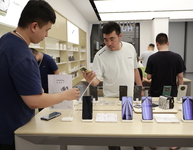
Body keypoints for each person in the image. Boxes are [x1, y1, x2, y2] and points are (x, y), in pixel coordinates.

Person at [0, 1, 80, 150]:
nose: (47, 35)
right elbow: (35, 102)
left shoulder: (6, 40)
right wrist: (66, 95)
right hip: (11, 132)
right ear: (34, 26)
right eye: (46, 30)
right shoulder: (23, 55)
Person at [82, 21, 144, 150]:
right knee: (112, 134)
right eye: (105, 39)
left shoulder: (130, 48)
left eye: (112, 39)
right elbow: (96, 81)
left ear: (120, 36)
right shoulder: (100, 55)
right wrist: (89, 80)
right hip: (110, 100)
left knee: (135, 131)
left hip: (130, 97)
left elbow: (135, 70)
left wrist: (140, 89)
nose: (109, 43)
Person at [145, 33, 186, 150]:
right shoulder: (177, 57)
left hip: (155, 93)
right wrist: (180, 94)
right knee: (172, 116)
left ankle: (155, 143)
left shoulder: (152, 58)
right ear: (168, 43)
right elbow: (180, 78)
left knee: (156, 115)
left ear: (157, 44)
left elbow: (148, 77)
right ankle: (173, 144)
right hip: (171, 93)